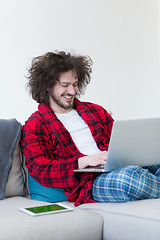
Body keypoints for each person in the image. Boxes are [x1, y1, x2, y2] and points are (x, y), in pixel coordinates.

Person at [21, 51, 160, 206]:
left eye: (75, 84)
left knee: (152, 161)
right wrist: (84, 161)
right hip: (90, 182)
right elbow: (41, 170)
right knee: (127, 179)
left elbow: (120, 142)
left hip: (117, 165)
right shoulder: (35, 124)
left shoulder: (96, 111)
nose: (72, 91)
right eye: (65, 85)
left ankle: (145, 178)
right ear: (47, 86)